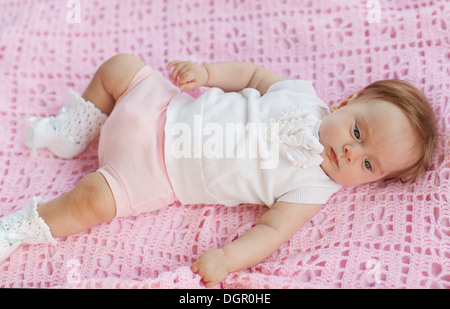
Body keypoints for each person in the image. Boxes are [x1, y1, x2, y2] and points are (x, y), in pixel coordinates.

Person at [0, 54, 436, 287]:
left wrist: (228, 259)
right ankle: (71, 130)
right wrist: (206, 73)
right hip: (161, 104)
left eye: (367, 163)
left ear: (372, 180)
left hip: (155, 172)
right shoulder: (301, 96)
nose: (347, 149)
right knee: (119, 67)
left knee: (91, 200)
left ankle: (17, 229)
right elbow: (250, 74)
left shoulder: (312, 189)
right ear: (345, 103)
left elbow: (270, 232)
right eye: (358, 130)